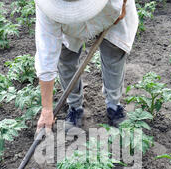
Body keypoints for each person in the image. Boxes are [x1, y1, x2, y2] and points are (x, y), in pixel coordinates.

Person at [34, 0, 139, 132]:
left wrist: (123, 3)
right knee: (65, 55)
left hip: (108, 9)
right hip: (67, 24)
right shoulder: (46, 8)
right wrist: (47, 110)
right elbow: (46, 57)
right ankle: (75, 107)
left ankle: (114, 105)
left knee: (114, 51)